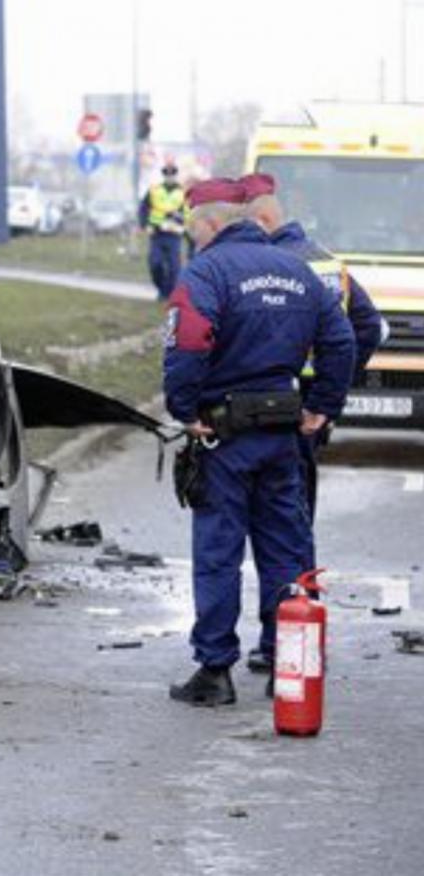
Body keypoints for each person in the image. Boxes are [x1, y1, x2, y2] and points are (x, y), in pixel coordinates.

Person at [163, 178, 355, 706]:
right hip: (283, 433)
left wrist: (184, 410)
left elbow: (187, 344)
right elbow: (342, 339)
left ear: (209, 224)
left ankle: (215, 671)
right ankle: (287, 662)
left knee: (219, 552)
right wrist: (323, 406)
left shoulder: (206, 272)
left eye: (193, 229)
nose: (192, 239)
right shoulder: (297, 269)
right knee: (286, 549)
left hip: (224, 436)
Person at [237, 171, 384, 674]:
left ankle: (276, 637)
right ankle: (298, 634)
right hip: (311, 414)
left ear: (262, 218)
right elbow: (371, 328)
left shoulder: (270, 266)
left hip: (273, 406)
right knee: (297, 527)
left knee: (272, 529)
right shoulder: (329, 264)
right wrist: (329, 393)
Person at [139, 163, 186, 299]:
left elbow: (188, 212)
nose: (169, 177)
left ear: (175, 175)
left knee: (174, 267)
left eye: (172, 174)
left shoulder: (183, 192)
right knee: (155, 264)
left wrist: (182, 223)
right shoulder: (154, 190)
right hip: (157, 233)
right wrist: (145, 225)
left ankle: (168, 293)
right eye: (167, 174)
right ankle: (161, 287)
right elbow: (143, 209)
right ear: (164, 175)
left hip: (174, 234)